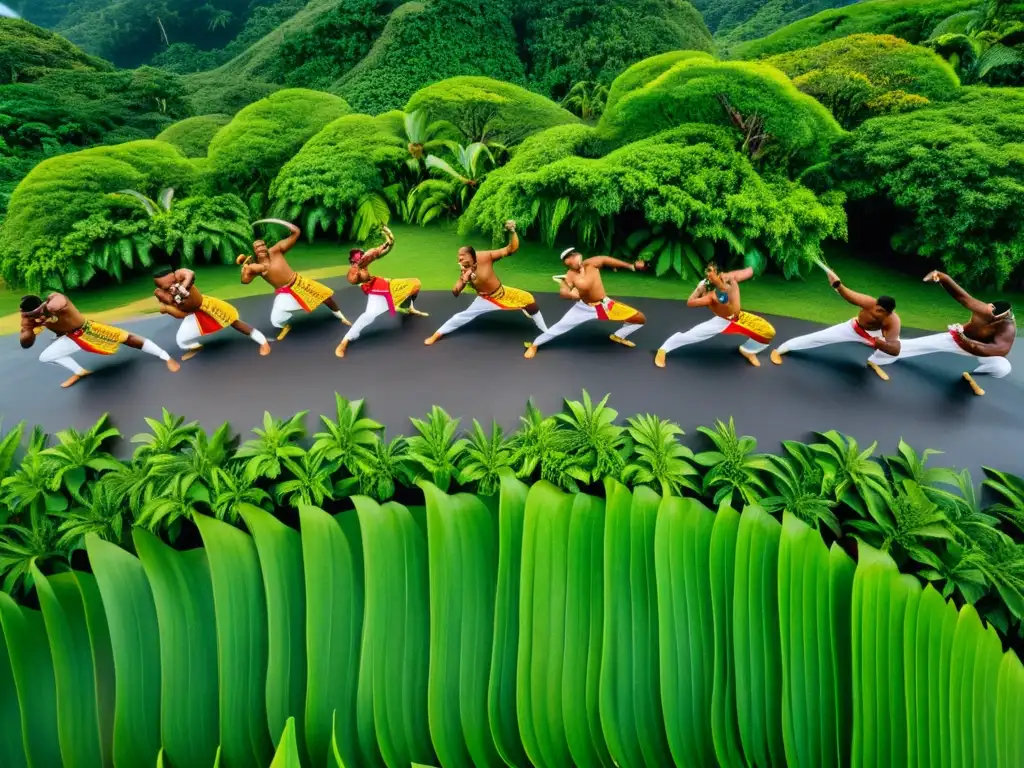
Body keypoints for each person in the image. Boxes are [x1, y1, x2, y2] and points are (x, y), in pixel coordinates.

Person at [868, 270, 1015, 396]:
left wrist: (968, 342)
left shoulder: (1007, 328)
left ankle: (976, 376)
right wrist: (942, 277)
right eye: (989, 311)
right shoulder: (984, 309)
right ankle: (878, 358)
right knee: (912, 346)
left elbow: (998, 350)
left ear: (1001, 320)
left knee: (1003, 367)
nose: (988, 314)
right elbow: (962, 297)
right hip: (956, 340)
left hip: (981, 351)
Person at [424, 220, 548, 345]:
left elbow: (511, 249)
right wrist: (464, 280)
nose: (459, 259)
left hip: (503, 292)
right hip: (486, 299)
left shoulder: (486, 256)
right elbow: (455, 292)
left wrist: (512, 232)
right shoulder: (464, 269)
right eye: (458, 257)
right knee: (461, 317)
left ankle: (545, 332)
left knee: (530, 301)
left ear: (472, 256)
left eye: (462, 256)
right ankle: (436, 335)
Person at [19, 292, 179, 388]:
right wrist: (27, 330)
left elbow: (59, 301)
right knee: (45, 357)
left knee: (128, 339)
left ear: (41, 306)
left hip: (89, 330)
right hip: (72, 339)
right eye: (30, 316)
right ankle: (79, 372)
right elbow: (26, 343)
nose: (36, 317)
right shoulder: (31, 320)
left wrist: (46, 311)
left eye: (36, 313)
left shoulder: (54, 301)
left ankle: (165, 356)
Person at [769, 267, 901, 380]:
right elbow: (849, 295)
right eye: (876, 307)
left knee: (889, 350)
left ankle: (874, 362)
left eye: (880, 311)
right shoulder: (869, 302)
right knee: (819, 337)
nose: (876, 310)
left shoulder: (893, 322)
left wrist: (881, 344)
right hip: (854, 329)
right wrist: (837, 285)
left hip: (875, 336)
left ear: (887, 313)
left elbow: (896, 349)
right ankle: (780, 349)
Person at [523, 248, 647, 359]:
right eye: (568, 261)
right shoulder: (570, 276)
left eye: (572, 257)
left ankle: (618, 336)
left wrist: (630, 266)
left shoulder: (591, 264)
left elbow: (605, 259)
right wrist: (569, 294)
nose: (572, 261)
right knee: (559, 327)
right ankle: (535, 345)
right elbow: (563, 291)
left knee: (639, 318)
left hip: (604, 306)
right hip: (584, 308)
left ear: (578, 256)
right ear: (566, 264)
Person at [238, 219, 350, 341]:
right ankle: (285, 326)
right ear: (255, 251)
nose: (260, 249)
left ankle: (341, 316)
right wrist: (245, 270)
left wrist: (283, 224)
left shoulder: (276, 251)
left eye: (262, 246)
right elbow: (245, 281)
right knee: (276, 319)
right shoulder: (256, 267)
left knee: (326, 297)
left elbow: (296, 232)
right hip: (285, 293)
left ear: (266, 246)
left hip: (300, 283)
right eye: (257, 248)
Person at [655, 262, 775, 368]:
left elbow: (737, 276)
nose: (708, 274)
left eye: (711, 271)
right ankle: (663, 349)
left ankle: (748, 350)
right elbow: (690, 303)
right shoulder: (708, 290)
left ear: (718, 273)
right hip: (722, 321)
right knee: (692, 335)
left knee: (768, 332)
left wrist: (751, 269)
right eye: (707, 271)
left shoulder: (726, 280)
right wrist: (697, 291)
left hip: (739, 318)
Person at [335, 225, 427, 358]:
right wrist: (358, 268)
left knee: (415, 284)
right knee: (368, 316)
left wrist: (389, 239)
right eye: (357, 259)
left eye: (361, 257)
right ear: (352, 262)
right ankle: (344, 342)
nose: (361, 259)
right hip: (376, 292)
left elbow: (384, 250)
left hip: (384, 283)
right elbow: (353, 280)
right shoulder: (353, 272)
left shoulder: (366, 260)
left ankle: (408, 308)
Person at [153, 267, 271, 360]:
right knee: (181, 340)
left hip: (208, 306)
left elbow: (190, 273)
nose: (172, 286)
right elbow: (173, 306)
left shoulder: (180, 275)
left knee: (235, 322)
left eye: (173, 282)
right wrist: (170, 298)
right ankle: (195, 347)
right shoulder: (161, 293)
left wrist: (183, 286)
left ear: (175, 276)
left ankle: (263, 341)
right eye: (167, 286)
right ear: (160, 287)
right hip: (194, 314)